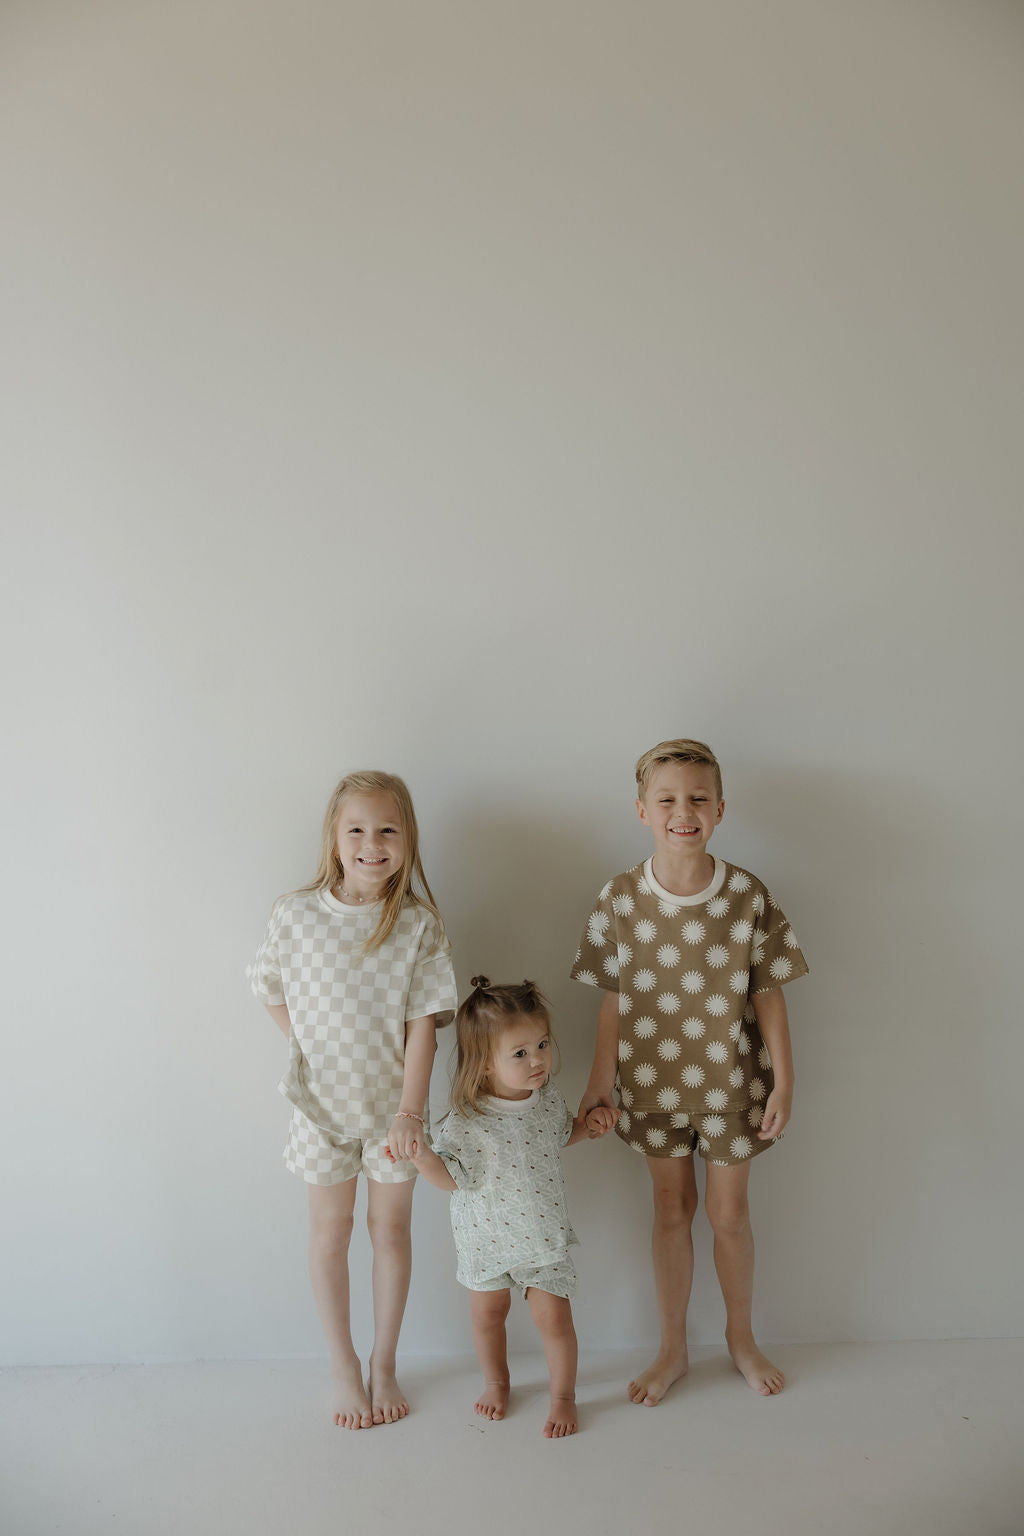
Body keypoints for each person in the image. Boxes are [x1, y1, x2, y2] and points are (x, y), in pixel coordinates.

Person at [573, 738, 808, 1404]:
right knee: (671, 1209)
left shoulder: (746, 895)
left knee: (730, 1217)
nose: (684, 811)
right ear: (643, 810)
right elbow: (612, 1001)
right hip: (650, 1087)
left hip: (734, 1088)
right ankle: (672, 1348)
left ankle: (741, 1338)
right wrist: (598, 1086)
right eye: (669, 799)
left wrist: (785, 1083)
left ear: (720, 809)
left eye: (698, 798)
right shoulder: (619, 897)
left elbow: (770, 995)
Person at [249, 770, 457, 1429]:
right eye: (358, 830)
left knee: (389, 1231)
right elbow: (268, 986)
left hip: (392, 1112)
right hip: (320, 1110)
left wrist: (410, 1113)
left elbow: (423, 1025)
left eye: (388, 829)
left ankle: (384, 1362)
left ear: (407, 839)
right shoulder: (296, 913)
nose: (373, 843)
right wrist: (304, 1046)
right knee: (330, 1232)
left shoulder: (418, 927)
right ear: (335, 840)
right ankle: (343, 1367)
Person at [399, 977, 616, 1437]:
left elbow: (560, 1136)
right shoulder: (466, 1119)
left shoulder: (548, 1101)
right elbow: (450, 1178)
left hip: (541, 1235)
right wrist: (422, 1157)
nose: (537, 1059)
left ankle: (563, 1396)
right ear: (483, 1066)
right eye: (520, 1053)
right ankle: (497, 1382)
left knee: (554, 1317)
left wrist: (589, 1127)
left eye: (541, 1045)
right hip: (486, 1238)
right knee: (487, 1315)